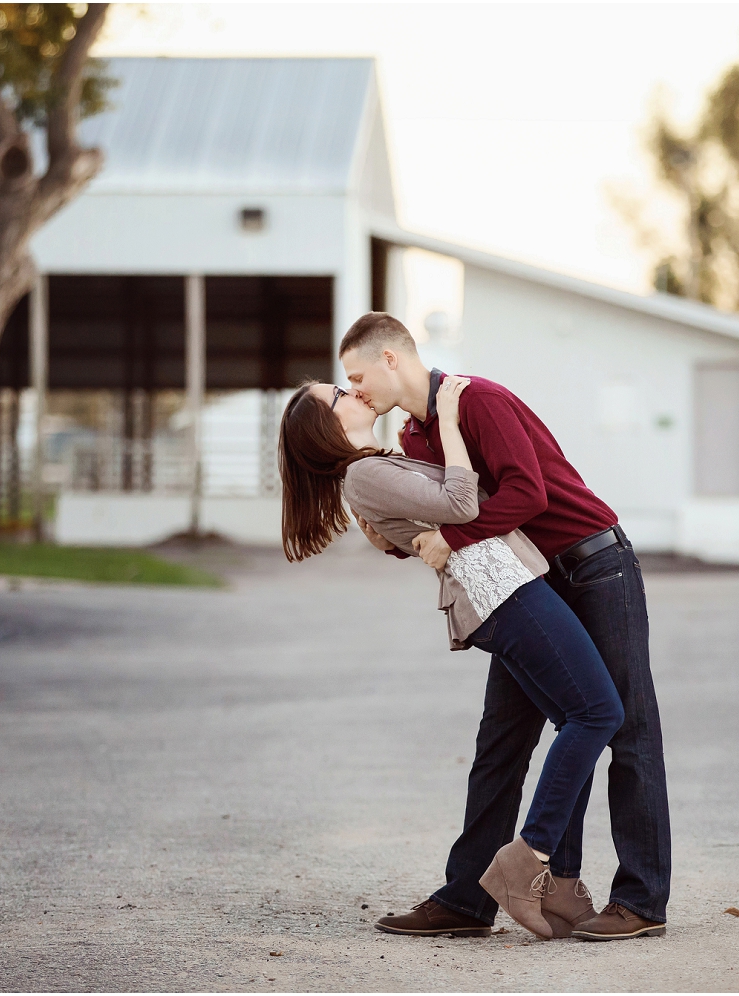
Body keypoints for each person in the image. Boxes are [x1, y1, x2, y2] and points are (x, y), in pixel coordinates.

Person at [339, 312, 671, 942]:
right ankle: (468, 900)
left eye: (358, 376)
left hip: (594, 563)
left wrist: (450, 537)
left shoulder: (478, 400)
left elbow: (529, 495)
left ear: (391, 360)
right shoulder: (415, 436)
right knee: (503, 736)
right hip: (530, 583)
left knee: (624, 726)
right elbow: (438, 520)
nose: (357, 391)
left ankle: (641, 900)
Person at [277, 375, 622, 940]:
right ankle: (527, 861)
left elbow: (420, 526)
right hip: (504, 594)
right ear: (328, 427)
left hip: (507, 588)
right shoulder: (364, 473)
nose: (351, 391)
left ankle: (520, 887)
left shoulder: (373, 468)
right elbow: (462, 501)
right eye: (338, 395)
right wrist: (453, 420)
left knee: (547, 729)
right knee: (597, 714)